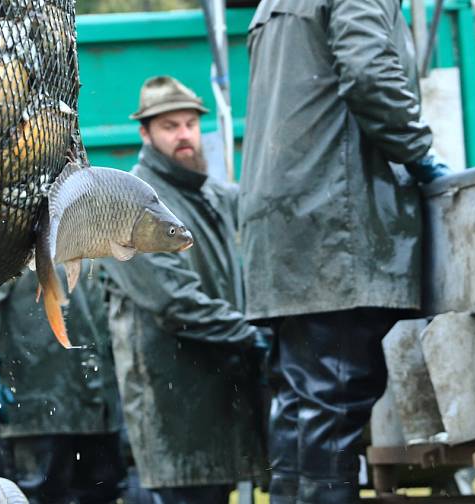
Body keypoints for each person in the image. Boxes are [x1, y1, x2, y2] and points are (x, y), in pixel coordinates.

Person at [240, 1, 451, 502]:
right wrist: (419, 152)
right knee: (330, 406)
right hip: (336, 222)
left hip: (285, 225)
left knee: (301, 407)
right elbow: (368, 71)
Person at [101, 75, 266, 504]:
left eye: (190, 124)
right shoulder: (130, 204)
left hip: (219, 395)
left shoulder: (211, 194)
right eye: (170, 126)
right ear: (146, 133)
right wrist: (253, 335)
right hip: (171, 402)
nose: (184, 135)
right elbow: (173, 300)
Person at [0, 264, 125, 504]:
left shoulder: (92, 241)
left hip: (95, 404)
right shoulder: (18, 245)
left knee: (102, 490)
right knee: (44, 494)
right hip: (38, 402)